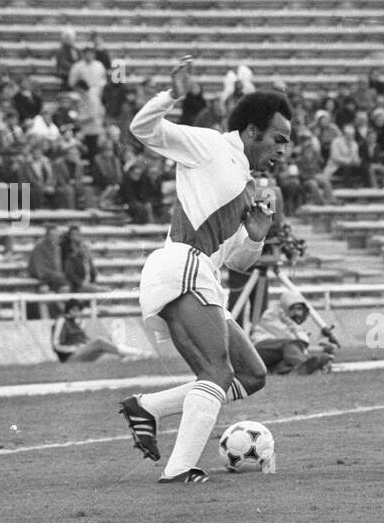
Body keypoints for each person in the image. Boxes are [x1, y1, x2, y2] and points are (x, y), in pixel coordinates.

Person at [117, 56, 290, 484]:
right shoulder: (212, 146)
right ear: (251, 132)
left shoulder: (247, 186)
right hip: (181, 266)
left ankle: (148, 407)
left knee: (252, 374)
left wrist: (257, 234)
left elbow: (238, 262)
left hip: (201, 275)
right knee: (215, 372)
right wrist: (172, 94)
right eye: (278, 139)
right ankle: (179, 470)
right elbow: (143, 130)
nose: (282, 151)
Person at [250, 289, 337, 375]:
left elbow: (300, 343)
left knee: (284, 364)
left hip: (274, 356)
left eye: (300, 309)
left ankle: (296, 371)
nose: (298, 313)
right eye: (295, 309)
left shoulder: (289, 322)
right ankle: (304, 364)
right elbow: (289, 338)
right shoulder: (271, 315)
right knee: (290, 345)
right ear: (287, 306)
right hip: (259, 349)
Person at [52, 300, 146, 362]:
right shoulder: (62, 321)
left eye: (79, 310)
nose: (78, 313)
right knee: (99, 341)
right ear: (70, 310)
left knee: (106, 343)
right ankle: (138, 354)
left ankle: (128, 356)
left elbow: (83, 339)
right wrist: (75, 348)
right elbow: (56, 345)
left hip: (80, 353)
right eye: (75, 310)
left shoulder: (76, 322)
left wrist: (85, 345)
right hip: (69, 358)